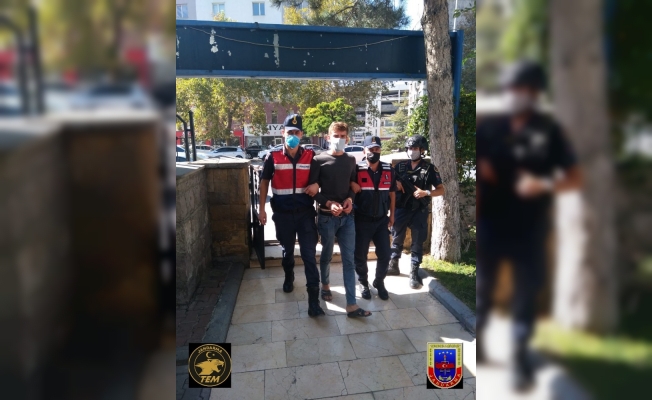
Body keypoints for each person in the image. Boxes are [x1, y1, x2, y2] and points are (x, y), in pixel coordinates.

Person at [476, 60, 582, 391]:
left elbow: (576, 177)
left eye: (523, 89)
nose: (515, 95)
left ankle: (520, 358)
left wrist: (544, 185)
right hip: (492, 226)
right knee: (485, 289)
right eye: (511, 89)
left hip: (530, 228)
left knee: (526, 294)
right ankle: (480, 344)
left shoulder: (549, 130)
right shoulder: (490, 128)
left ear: (535, 93)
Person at [258, 114, 325, 317]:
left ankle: (313, 301)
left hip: (305, 214)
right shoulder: (273, 156)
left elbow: (320, 178)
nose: (293, 136)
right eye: (289, 132)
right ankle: (289, 275)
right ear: (282, 133)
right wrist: (261, 209)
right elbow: (264, 182)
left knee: (309, 256)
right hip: (283, 215)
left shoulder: (311, 156)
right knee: (287, 251)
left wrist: (317, 184)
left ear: (302, 134)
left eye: (296, 132)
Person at [305, 122, 372, 318]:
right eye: (336, 135)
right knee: (326, 254)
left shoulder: (351, 160)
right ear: (328, 137)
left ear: (347, 138)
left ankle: (351, 305)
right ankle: (325, 285)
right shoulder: (318, 160)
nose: (339, 139)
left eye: (343, 136)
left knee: (349, 260)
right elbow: (312, 190)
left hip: (347, 218)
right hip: (327, 217)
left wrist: (350, 199)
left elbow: (353, 184)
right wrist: (328, 203)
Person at [388, 135, 445, 289]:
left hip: (419, 210)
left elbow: (441, 190)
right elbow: (389, 182)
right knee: (396, 237)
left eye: (415, 148)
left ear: (422, 150)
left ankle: (414, 271)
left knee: (417, 241)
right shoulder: (400, 167)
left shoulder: (430, 169)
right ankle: (393, 264)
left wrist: (426, 192)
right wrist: (396, 183)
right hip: (401, 209)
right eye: (410, 148)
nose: (412, 151)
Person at [349, 136, 396, 301]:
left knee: (385, 254)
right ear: (364, 150)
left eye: (376, 149)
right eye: (370, 149)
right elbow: (347, 186)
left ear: (380, 150)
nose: (373, 152)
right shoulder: (357, 169)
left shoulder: (389, 169)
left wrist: (392, 215)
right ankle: (363, 282)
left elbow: (392, 193)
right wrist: (351, 184)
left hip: (381, 220)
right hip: (362, 220)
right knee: (360, 255)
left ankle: (379, 282)